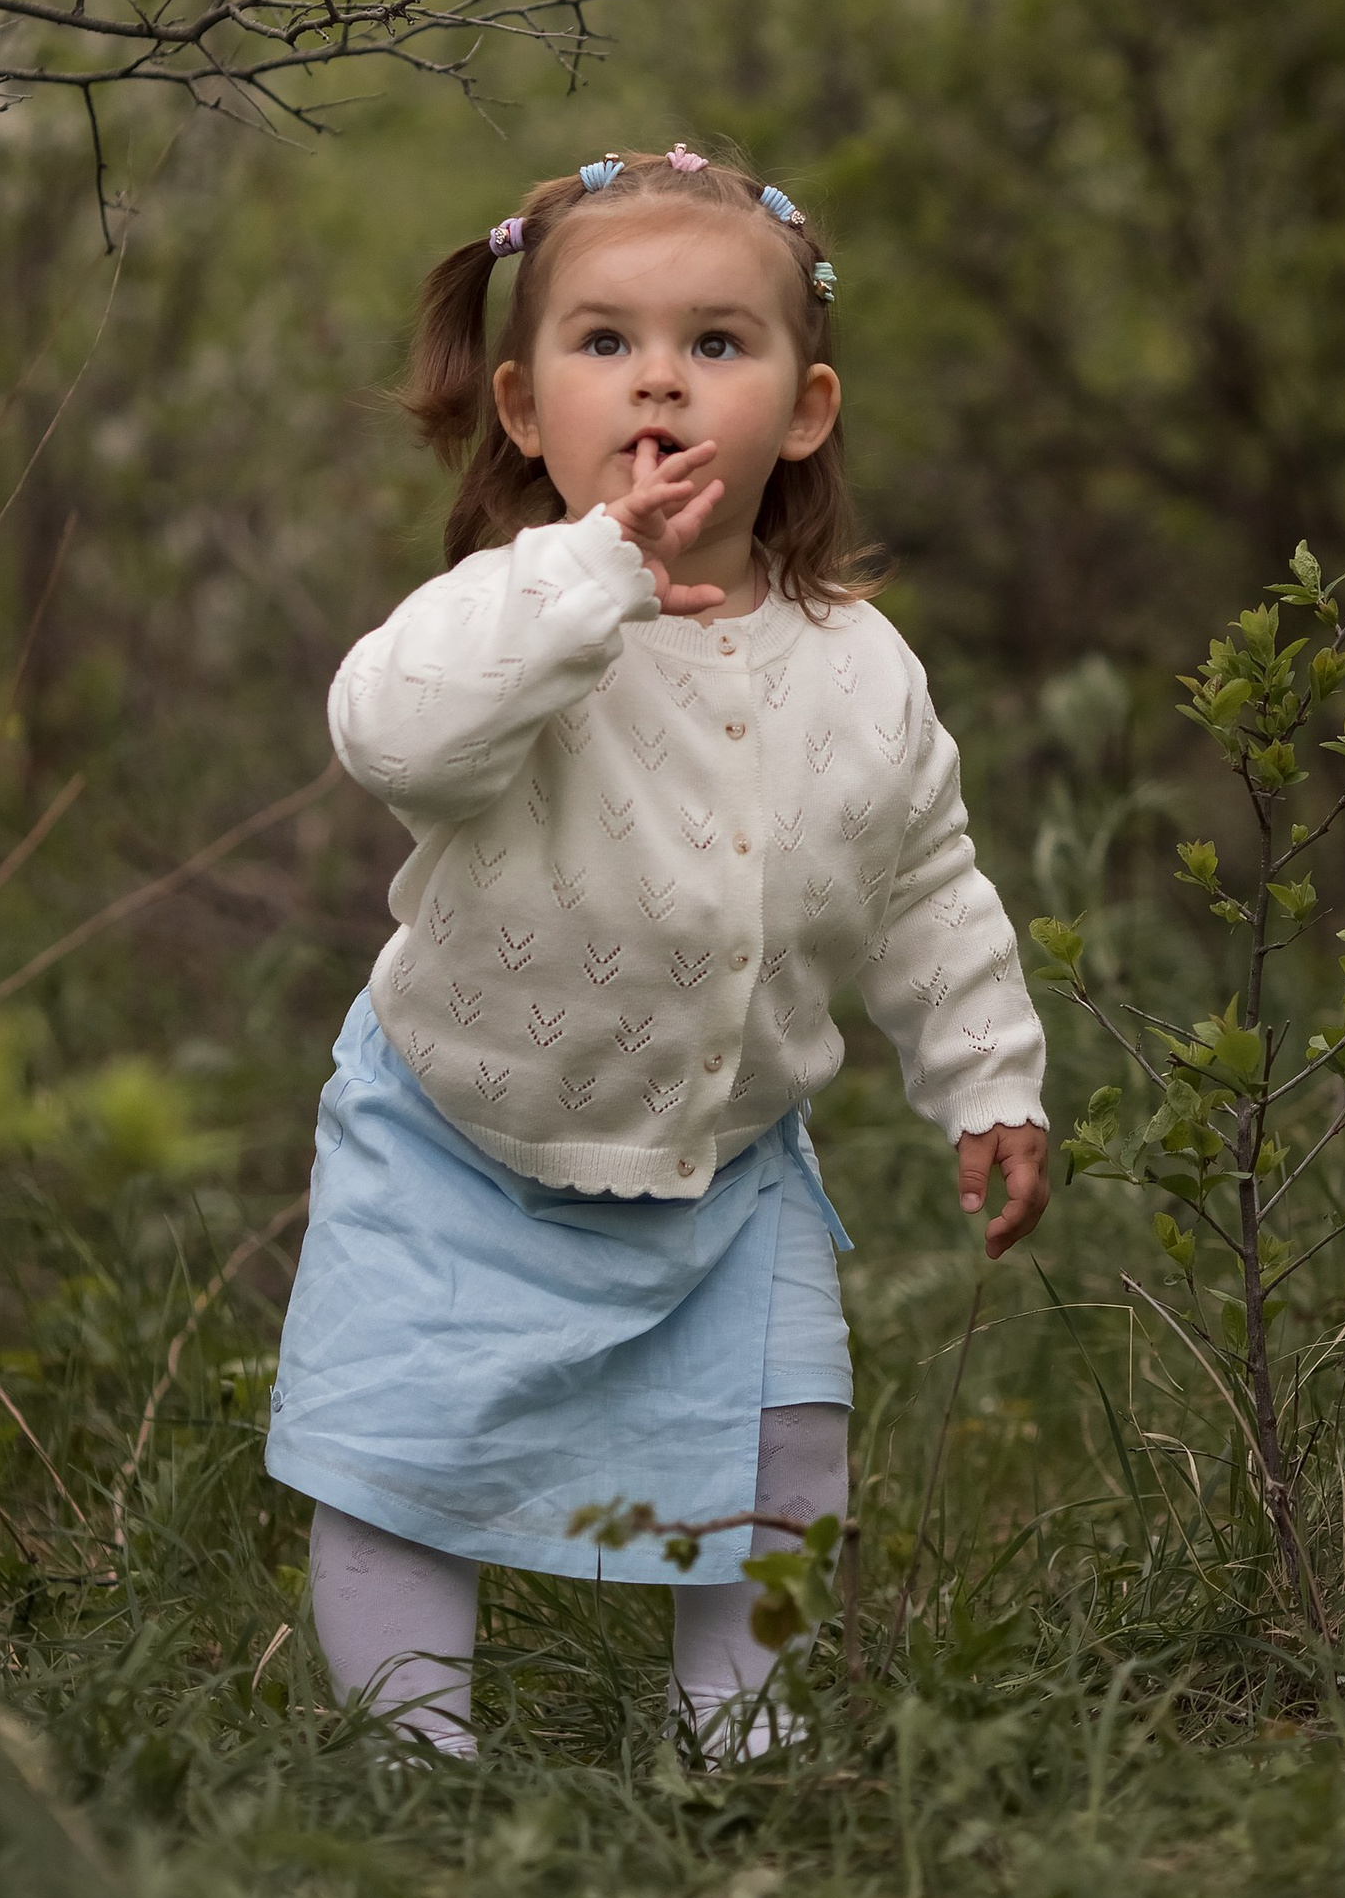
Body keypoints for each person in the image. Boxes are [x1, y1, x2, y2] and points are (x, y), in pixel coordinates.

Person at [265, 143, 1051, 1759]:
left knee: (786, 1442)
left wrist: (989, 1077)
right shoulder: (505, 617)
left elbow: (926, 883)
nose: (660, 386)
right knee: (399, 1448)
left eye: (717, 344)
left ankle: (738, 1736)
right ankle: (408, 1752)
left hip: (725, 1154)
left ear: (805, 406)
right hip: (456, 1137)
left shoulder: (859, 665)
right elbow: (394, 739)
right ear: (520, 405)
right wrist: (590, 577)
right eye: (605, 343)